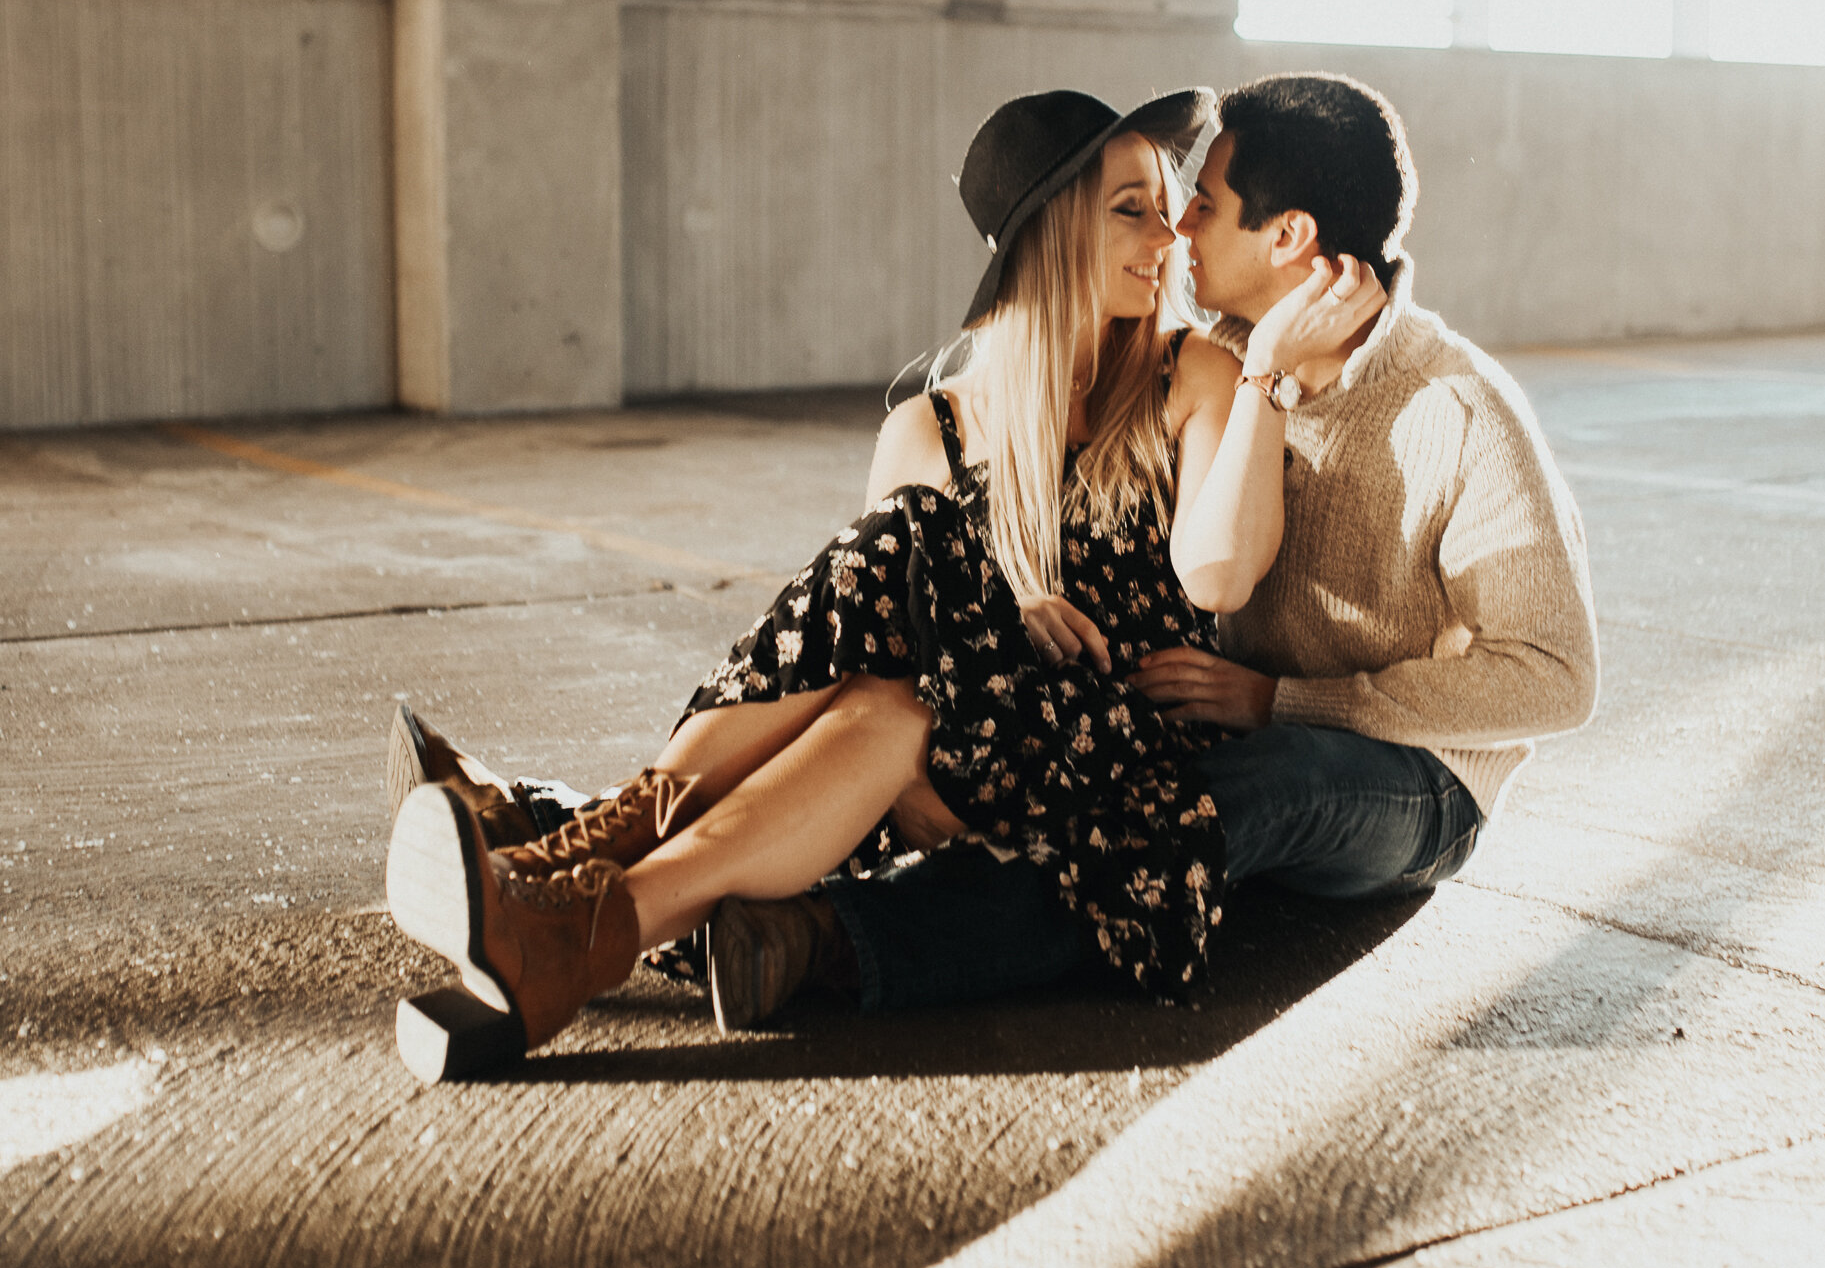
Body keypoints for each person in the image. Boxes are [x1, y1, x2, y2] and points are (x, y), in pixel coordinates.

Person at [383, 89, 1378, 1083]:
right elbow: (866, 658)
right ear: (1050, 229)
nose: (1168, 235)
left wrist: (1267, 379)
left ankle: (570, 845)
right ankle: (571, 934)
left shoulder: (1193, 373)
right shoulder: (927, 431)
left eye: (1168, 204)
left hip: (1116, 779)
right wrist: (996, 614)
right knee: (893, 675)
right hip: (939, 766)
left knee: (918, 541)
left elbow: (1220, 571)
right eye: (1133, 207)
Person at [735, 69, 1601, 1019]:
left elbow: (1554, 676)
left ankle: (836, 943)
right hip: (1224, 722)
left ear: (1287, 236)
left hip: (1405, 780)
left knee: (1214, 796)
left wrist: (1287, 701)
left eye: (1202, 204)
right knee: (1090, 769)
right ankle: (660, 857)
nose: (1178, 228)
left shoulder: (1458, 410)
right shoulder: (1212, 354)